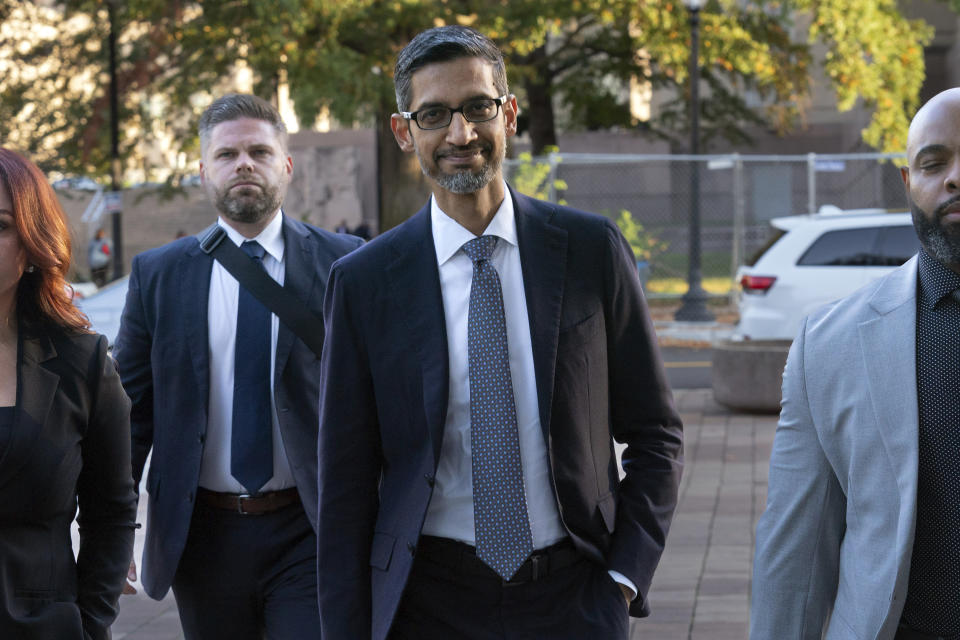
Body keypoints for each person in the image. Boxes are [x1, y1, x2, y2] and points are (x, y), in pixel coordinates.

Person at [316, 26, 683, 640]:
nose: (460, 134)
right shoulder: (363, 282)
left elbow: (656, 434)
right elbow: (345, 482)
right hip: (425, 602)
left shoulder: (591, 250)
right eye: (434, 115)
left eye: (477, 108)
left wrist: (623, 579)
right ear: (405, 131)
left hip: (575, 597)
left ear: (508, 114)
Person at [114, 94, 362, 639]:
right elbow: (128, 415)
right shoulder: (158, 275)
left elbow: (375, 400)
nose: (244, 164)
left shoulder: (346, 263)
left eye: (259, 151)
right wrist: (113, 530)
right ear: (203, 171)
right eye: (226, 155)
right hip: (202, 534)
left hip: (310, 528)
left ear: (286, 166)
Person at [752, 87, 960, 639]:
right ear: (907, 183)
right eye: (934, 163)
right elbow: (794, 554)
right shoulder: (830, 343)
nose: (955, 177)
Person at [0, 148, 137, 638]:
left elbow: (112, 510)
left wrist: (91, 624)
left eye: (0, 226)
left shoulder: (82, 361)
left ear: (32, 243)